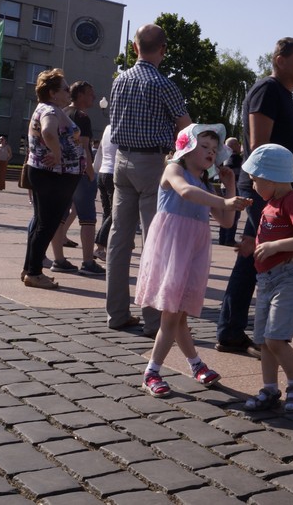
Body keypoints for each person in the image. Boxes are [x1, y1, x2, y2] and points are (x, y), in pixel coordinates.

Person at [216, 38, 293, 357]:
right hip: (266, 189)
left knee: (251, 254)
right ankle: (247, 333)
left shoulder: (282, 94)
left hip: (276, 188)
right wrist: (274, 192)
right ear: (279, 60)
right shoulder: (268, 90)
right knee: (257, 255)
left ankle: (238, 331)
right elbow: (259, 146)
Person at [137, 123, 249, 397]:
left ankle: (196, 364)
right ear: (186, 149)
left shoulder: (205, 184)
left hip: (193, 250)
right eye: (205, 147)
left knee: (180, 314)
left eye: (214, 149)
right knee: (171, 315)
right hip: (173, 248)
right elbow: (185, 192)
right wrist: (223, 201)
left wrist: (230, 186)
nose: (212, 152)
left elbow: (226, 221)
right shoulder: (174, 170)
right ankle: (151, 371)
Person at [107, 24, 192, 336]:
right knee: (153, 242)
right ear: (163, 50)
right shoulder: (164, 85)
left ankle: (116, 313)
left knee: (119, 240)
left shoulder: (119, 82)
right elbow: (186, 132)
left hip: (121, 160)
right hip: (151, 163)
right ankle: (153, 319)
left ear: (134, 47)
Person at [240, 144, 293, 413]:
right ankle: (269, 388)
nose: (252, 185)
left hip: (287, 277)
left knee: (275, 339)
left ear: (271, 178)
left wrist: (276, 247)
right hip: (266, 279)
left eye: (255, 180)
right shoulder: (271, 202)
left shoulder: (291, 200)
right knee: (263, 340)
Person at [21, 69, 82, 289]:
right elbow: (48, 131)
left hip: (45, 174)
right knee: (47, 224)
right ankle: (35, 273)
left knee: (41, 223)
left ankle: (30, 268)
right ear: (53, 93)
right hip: (51, 175)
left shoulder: (50, 108)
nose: (69, 92)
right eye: (65, 89)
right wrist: (56, 154)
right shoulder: (50, 111)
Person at [51, 81, 106, 276]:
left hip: (60, 171)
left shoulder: (61, 111)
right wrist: (90, 171)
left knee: (59, 216)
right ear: (81, 94)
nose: (93, 97)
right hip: (79, 172)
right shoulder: (82, 117)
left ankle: (58, 259)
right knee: (88, 218)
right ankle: (87, 262)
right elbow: (84, 147)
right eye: (91, 94)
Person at [93, 125, 116, 261]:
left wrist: (96, 168)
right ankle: (100, 244)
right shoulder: (122, 127)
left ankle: (103, 249)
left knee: (108, 212)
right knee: (116, 212)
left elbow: (100, 151)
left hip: (103, 172)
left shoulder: (107, 128)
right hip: (113, 174)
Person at [218, 137, 243, 246]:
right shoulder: (235, 158)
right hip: (233, 187)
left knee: (225, 212)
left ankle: (223, 239)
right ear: (233, 146)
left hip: (225, 187)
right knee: (234, 213)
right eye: (237, 143)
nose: (239, 145)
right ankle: (229, 239)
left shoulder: (224, 158)